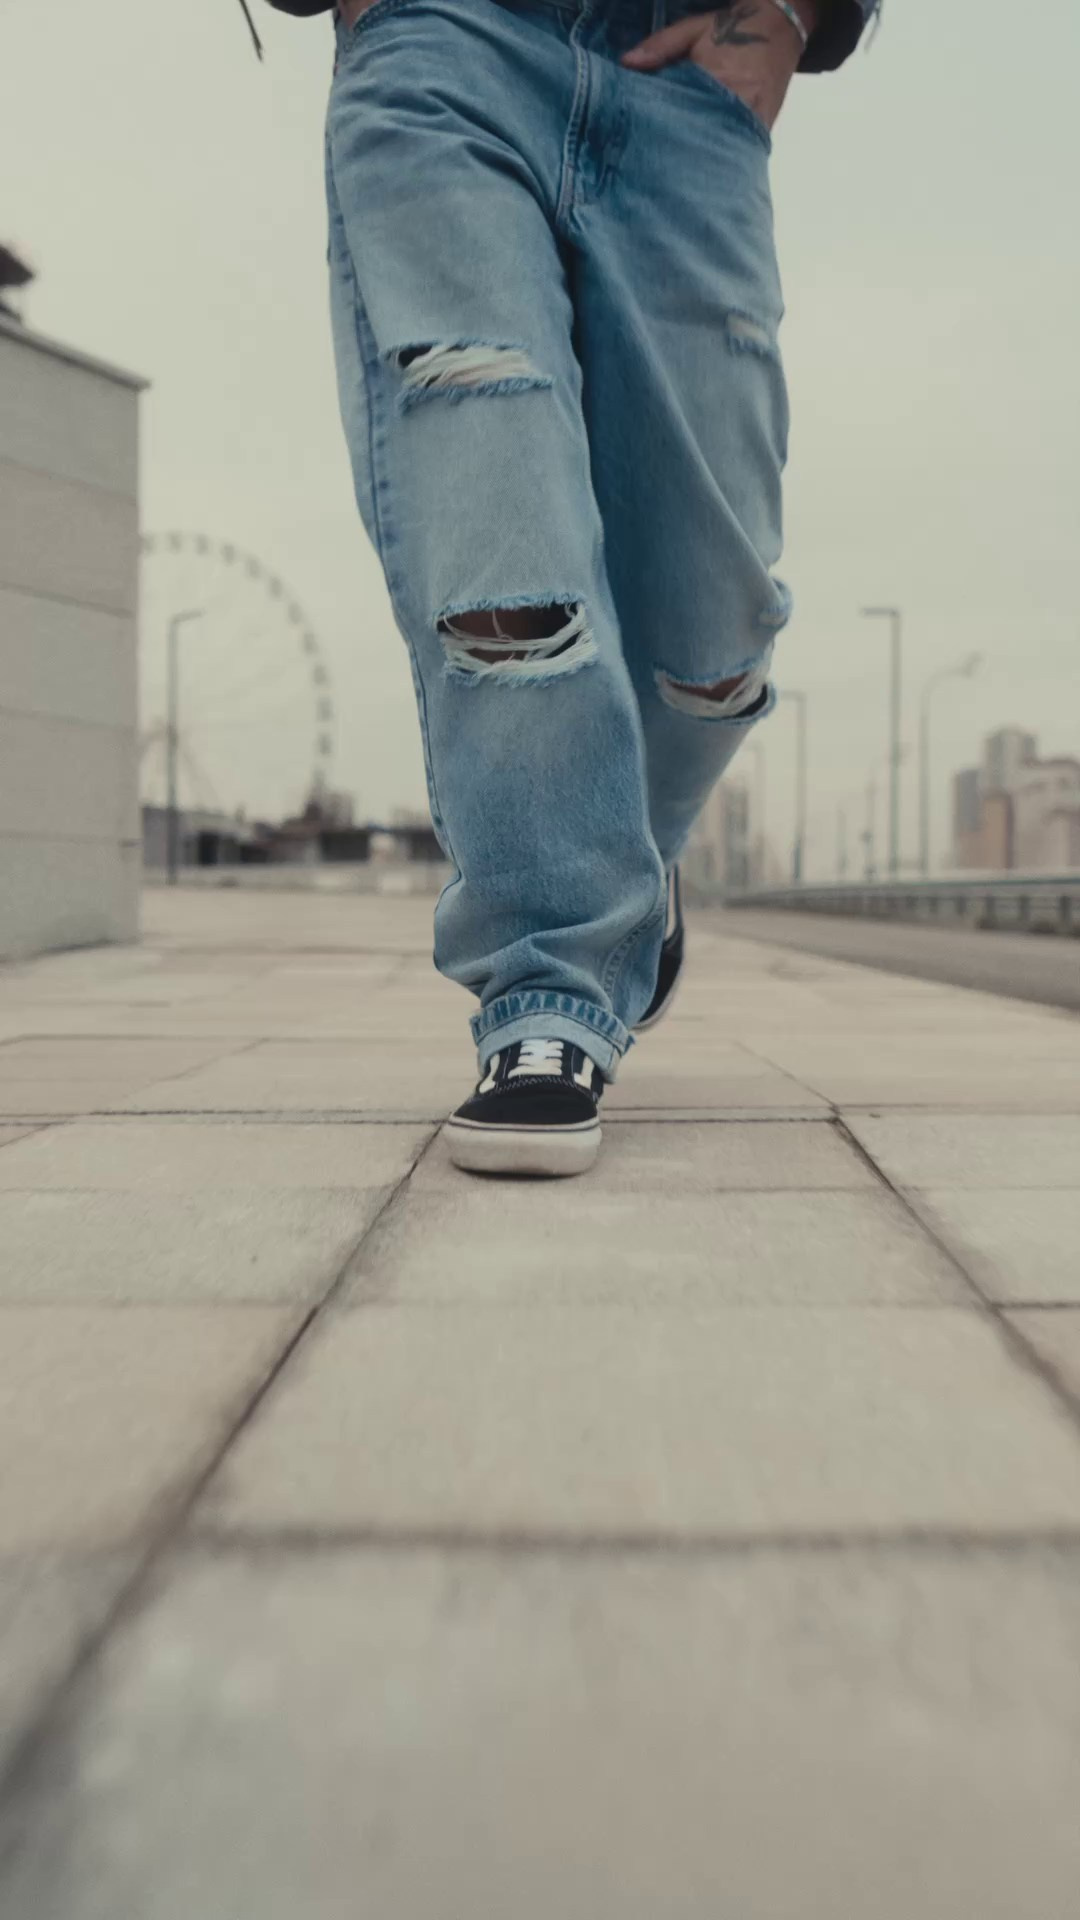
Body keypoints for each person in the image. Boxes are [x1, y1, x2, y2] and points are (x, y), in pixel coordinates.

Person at [266, 0, 879, 1175]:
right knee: (503, 531)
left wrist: (800, 15)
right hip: (446, 52)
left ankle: (629, 867)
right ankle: (549, 987)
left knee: (717, 622)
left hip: (691, 85)